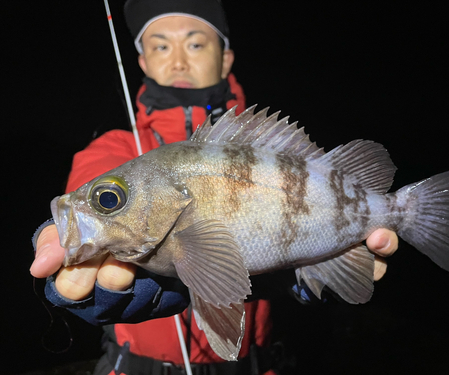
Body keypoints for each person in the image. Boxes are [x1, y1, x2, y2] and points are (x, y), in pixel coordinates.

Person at [30, 0, 399, 374]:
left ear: (224, 58)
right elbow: (91, 179)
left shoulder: (257, 144)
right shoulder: (115, 150)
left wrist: (308, 275)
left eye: (195, 44)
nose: (178, 61)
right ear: (142, 63)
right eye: (160, 45)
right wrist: (59, 240)